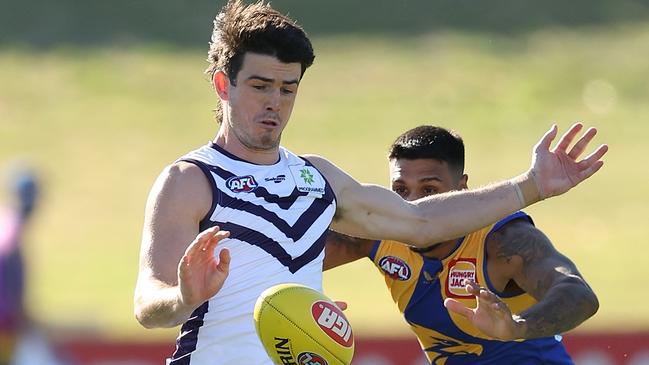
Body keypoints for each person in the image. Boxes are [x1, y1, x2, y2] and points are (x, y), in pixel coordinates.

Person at [132, 1, 608, 363]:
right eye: (260, 86)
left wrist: (531, 186)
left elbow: (419, 222)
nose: (275, 102)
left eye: (288, 88)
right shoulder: (190, 180)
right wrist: (184, 296)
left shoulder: (316, 177)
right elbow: (148, 303)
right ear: (223, 85)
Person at [324, 125, 600, 364]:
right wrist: (299, 302)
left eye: (430, 190)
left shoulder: (502, 239)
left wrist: (516, 327)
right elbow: (286, 258)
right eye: (401, 191)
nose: (413, 205)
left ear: (462, 188)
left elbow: (578, 294)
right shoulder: (379, 230)